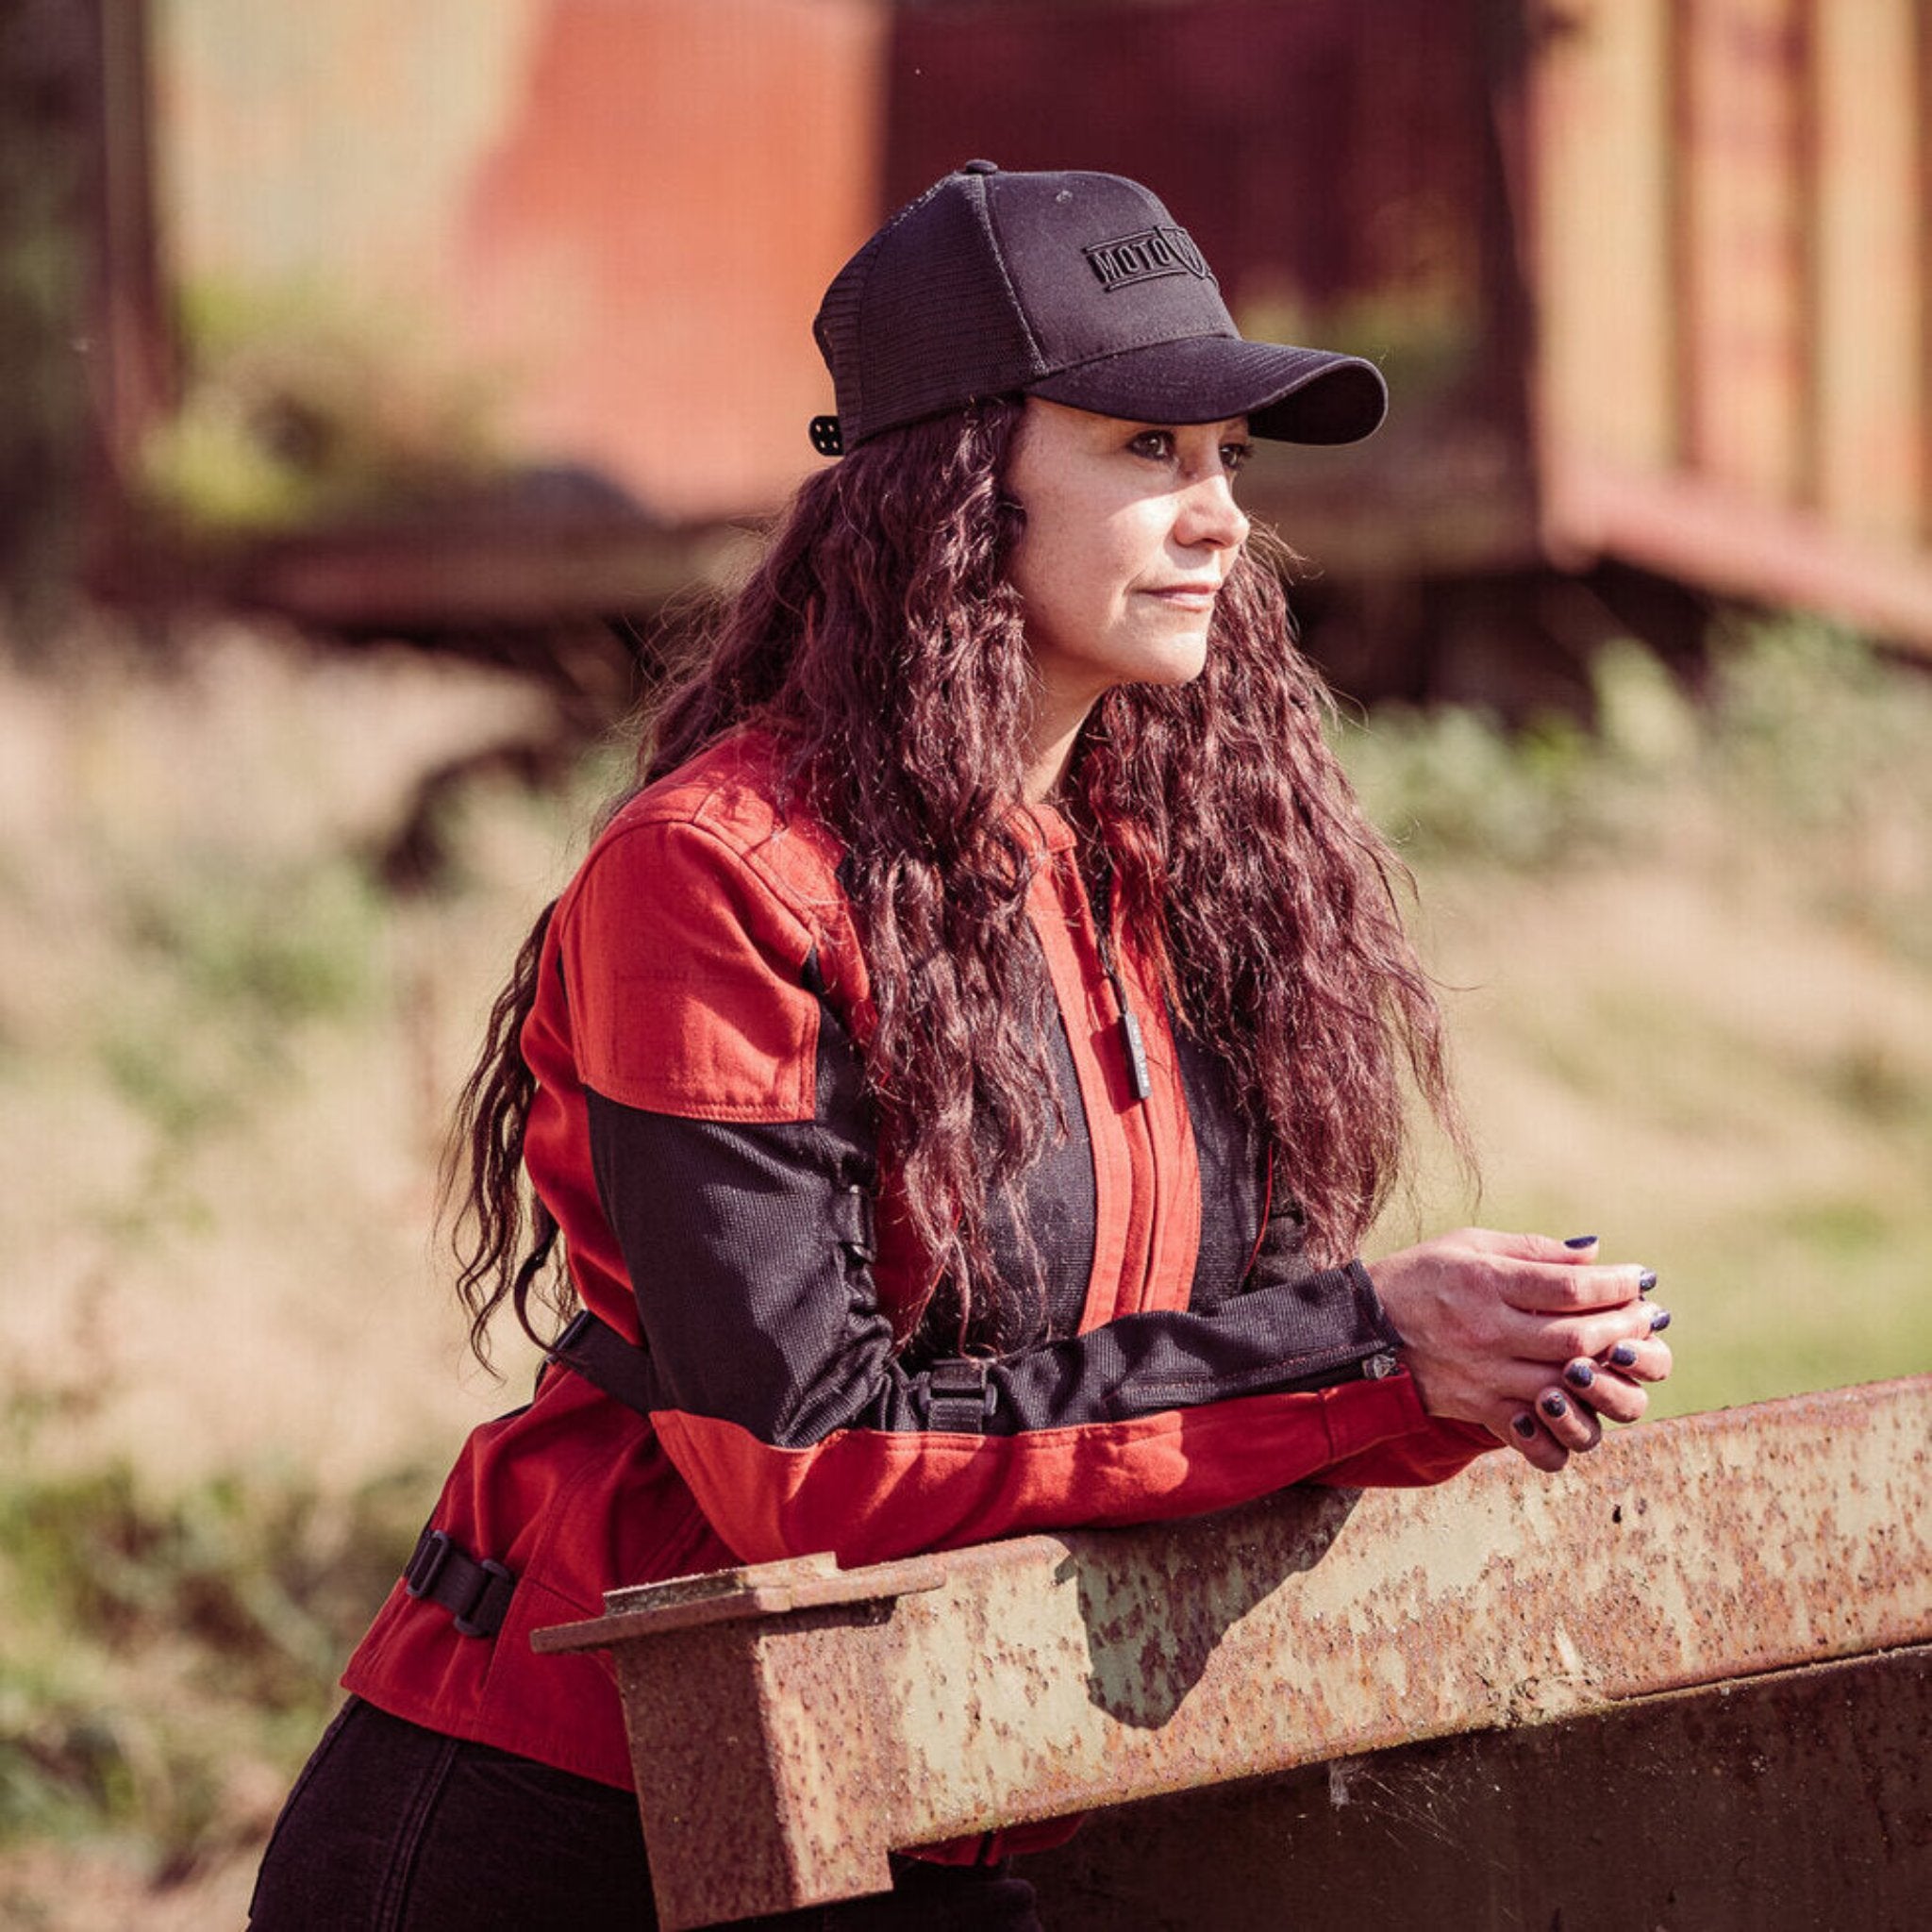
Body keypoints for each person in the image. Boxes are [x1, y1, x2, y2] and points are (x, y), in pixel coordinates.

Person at [250, 161, 1672, 1930]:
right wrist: (1371, 1348)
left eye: (1230, 458)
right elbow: (808, 1466)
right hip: (584, 1819)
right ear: (949, 491)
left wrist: (1454, 1383)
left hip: (949, 1786)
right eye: (1147, 451)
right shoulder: (710, 877)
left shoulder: (1190, 873)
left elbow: (1212, 1379)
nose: (1223, 515)